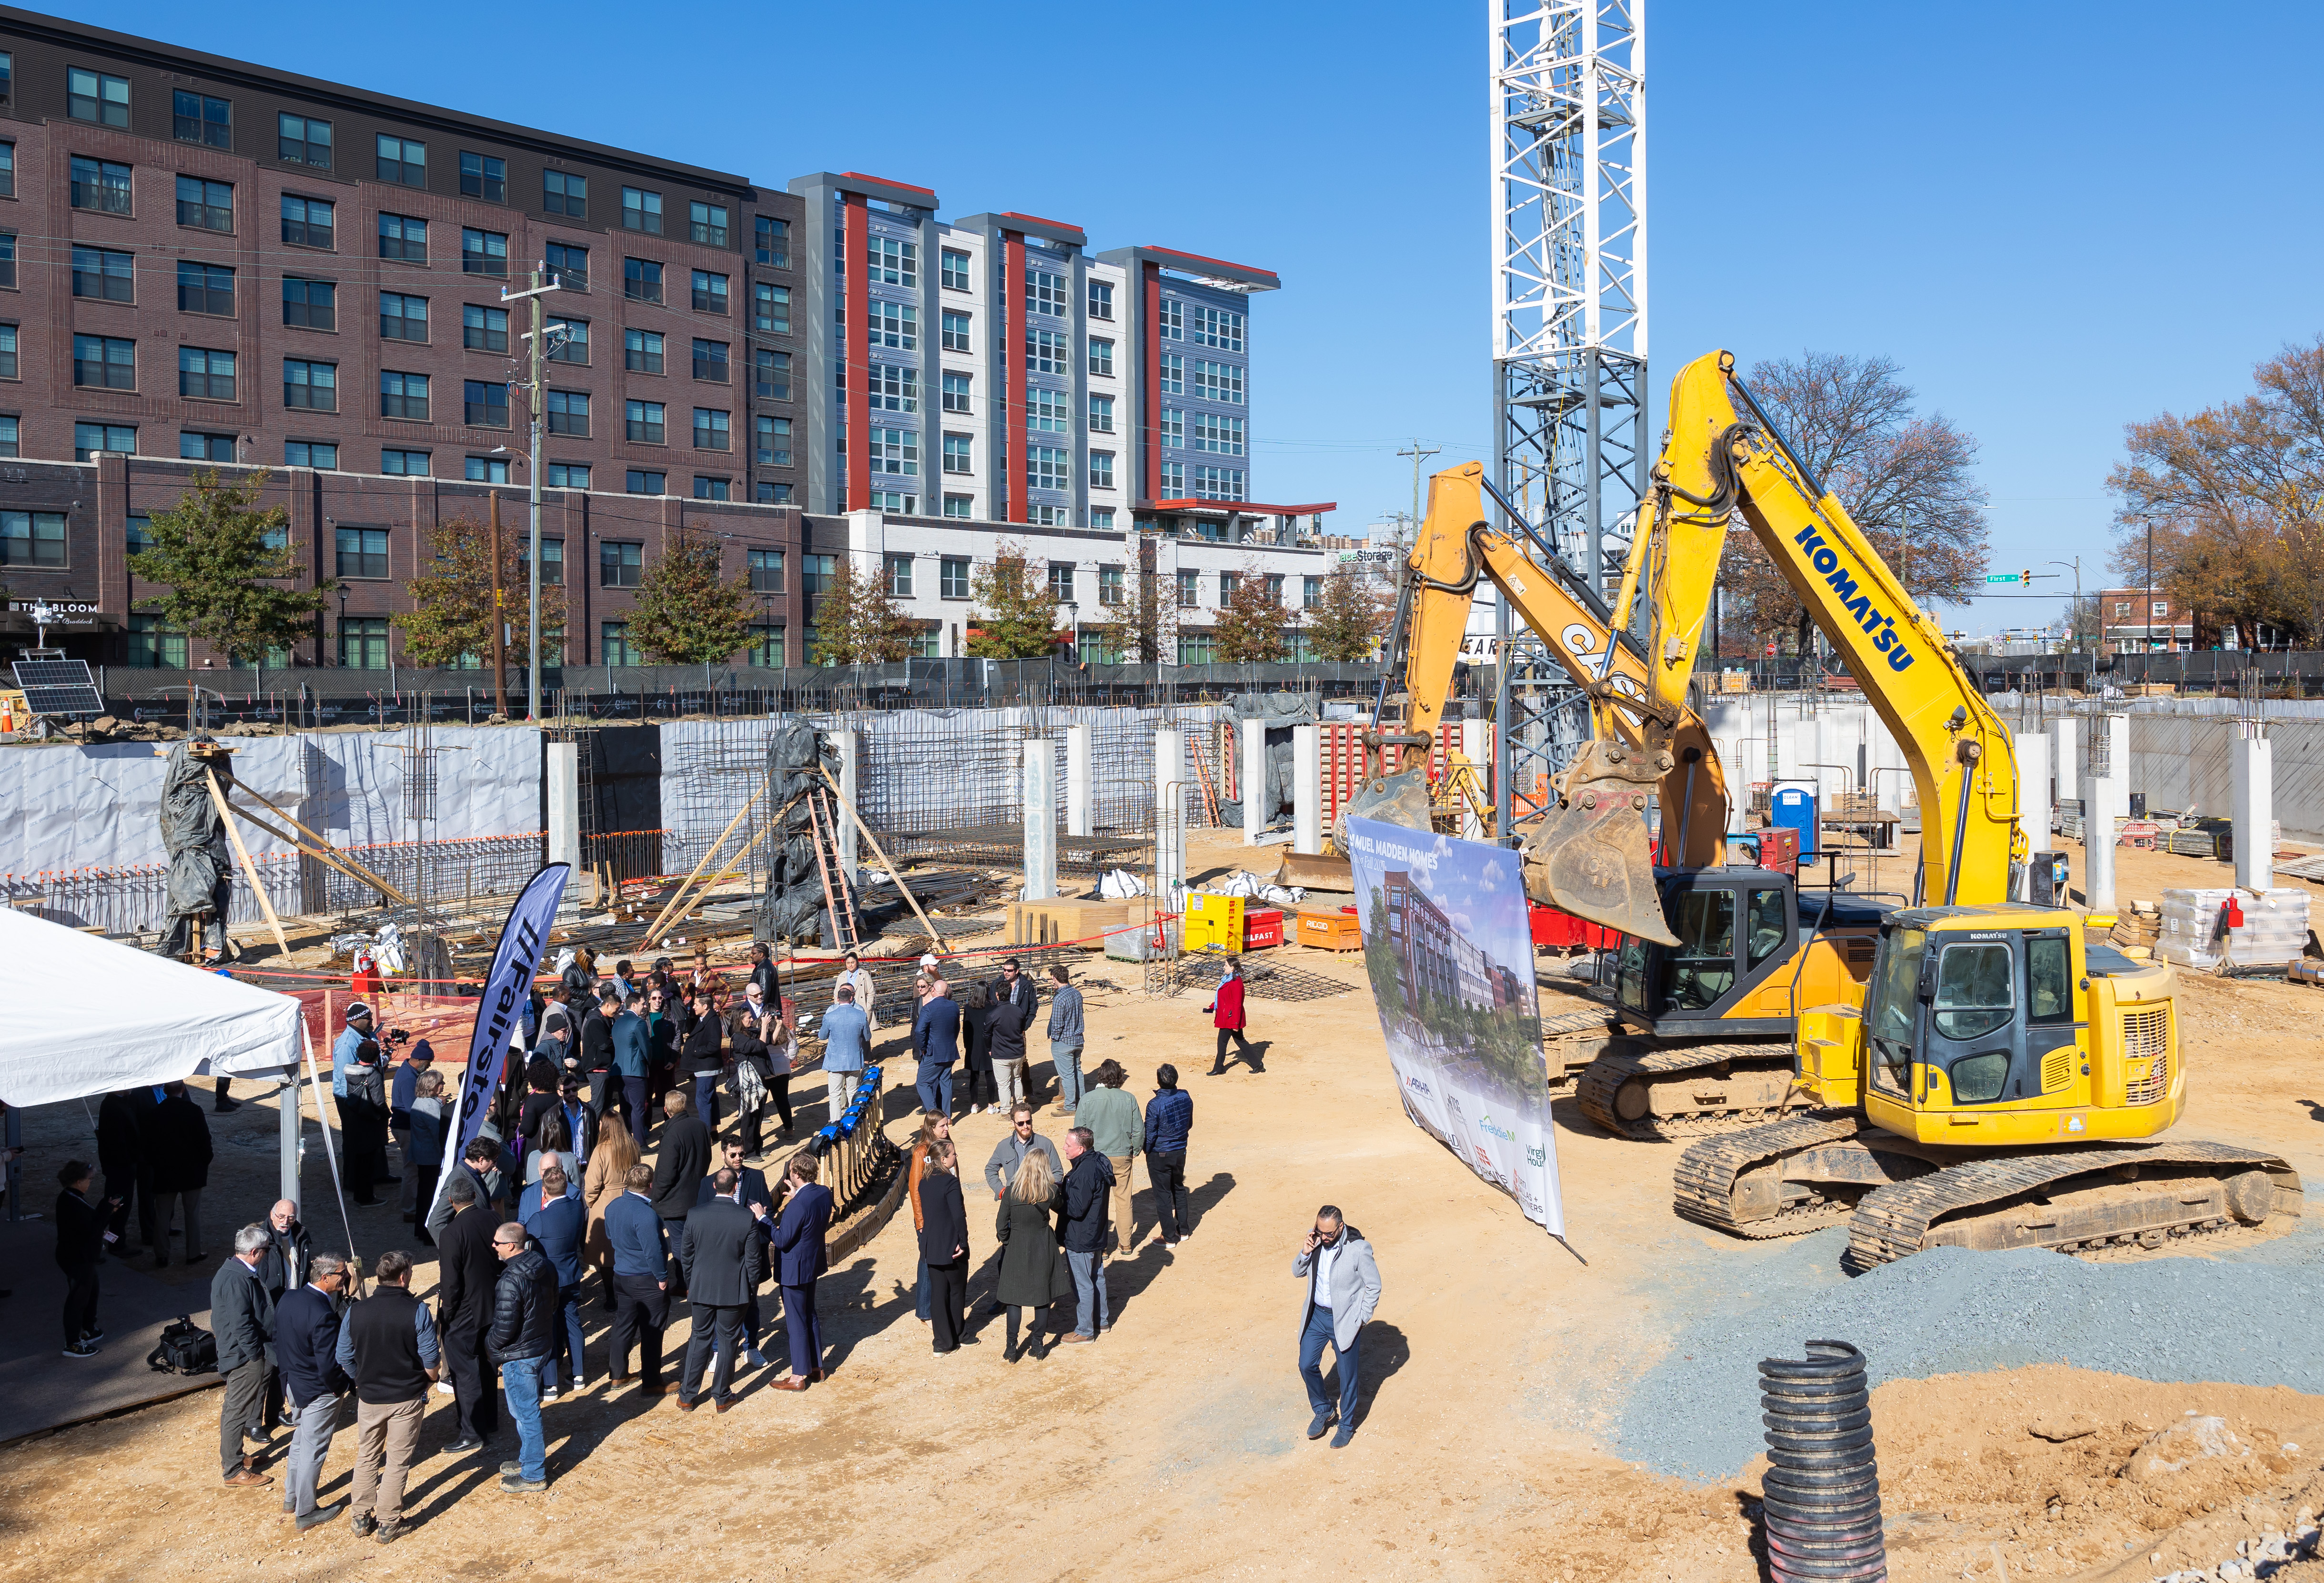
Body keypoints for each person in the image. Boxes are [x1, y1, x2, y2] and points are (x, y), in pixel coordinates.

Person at [337, 1248, 439, 1543]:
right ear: (404, 1276)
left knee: (366, 1455)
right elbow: (431, 1360)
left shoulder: (357, 1310)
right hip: (406, 1397)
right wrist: (426, 1383)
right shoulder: (417, 1310)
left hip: (369, 1398)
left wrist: (361, 1377)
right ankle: (389, 1522)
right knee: (397, 1461)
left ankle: (360, 1517)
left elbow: (344, 1355)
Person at [274, 1249, 353, 1532]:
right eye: (342, 1274)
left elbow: (278, 1341)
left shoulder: (288, 1298)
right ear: (325, 1277)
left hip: (294, 1385)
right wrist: (340, 1388)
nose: (346, 1277)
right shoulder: (322, 1314)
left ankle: (291, 1498)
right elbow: (329, 1363)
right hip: (319, 1390)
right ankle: (306, 1511)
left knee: (299, 1442)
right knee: (313, 1450)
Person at [1294, 1205, 1382, 1448]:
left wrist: (1362, 1319)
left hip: (1344, 1321)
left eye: (1329, 1234)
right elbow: (1297, 1272)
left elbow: (1374, 1286)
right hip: (1316, 1318)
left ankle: (1346, 1426)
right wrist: (1305, 1252)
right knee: (1306, 1364)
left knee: (1347, 1377)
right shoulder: (1315, 1243)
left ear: (1340, 1227)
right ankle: (1324, 1410)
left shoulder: (1358, 1249)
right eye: (1320, 1231)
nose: (1324, 1238)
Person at [677, 1168, 762, 1413]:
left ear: (714, 1187)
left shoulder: (695, 1215)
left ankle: (687, 1396)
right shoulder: (746, 1218)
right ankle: (722, 1397)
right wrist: (750, 1290)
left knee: (699, 1338)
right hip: (734, 1292)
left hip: (701, 1288)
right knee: (727, 1342)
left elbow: (687, 1256)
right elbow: (753, 1262)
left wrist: (693, 1283)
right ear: (735, 1188)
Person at [486, 1220, 558, 1491]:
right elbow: (553, 1303)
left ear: (511, 1246)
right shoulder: (544, 1264)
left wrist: (491, 1349)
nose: (493, 1246)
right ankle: (528, 1459)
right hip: (540, 1347)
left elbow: (504, 1328)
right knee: (523, 1411)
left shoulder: (510, 1280)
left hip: (520, 1355)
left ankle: (533, 1474)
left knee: (526, 1413)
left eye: (497, 1243)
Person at [434, 1174, 502, 1453]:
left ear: (451, 1201)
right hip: (493, 1304)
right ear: (474, 1196)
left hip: (464, 1312)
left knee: (465, 1371)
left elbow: (451, 1283)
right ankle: (489, 1420)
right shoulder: (494, 1219)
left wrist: (447, 1315)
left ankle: (472, 1431)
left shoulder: (452, 1233)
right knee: (487, 1364)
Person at [212, 1223, 279, 1488]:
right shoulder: (237, 1278)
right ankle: (233, 1471)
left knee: (234, 1408)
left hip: (242, 1353)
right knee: (237, 1411)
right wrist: (255, 1354)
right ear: (254, 1252)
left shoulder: (235, 1271)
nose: (266, 1254)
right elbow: (241, 1324)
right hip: (243, 1356)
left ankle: (235, 1456)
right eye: (265, 1250)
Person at [697, 1139, 775, 1366]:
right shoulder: (707, 1183)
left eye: (741, 1154)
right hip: (721, 1253)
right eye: (733, 1155)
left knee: (750, 1300)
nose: (738, 1159)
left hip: (750, 1251)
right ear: (723, 1155)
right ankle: (718, 1351)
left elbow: (767, 1206)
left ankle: (751, 1347)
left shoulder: (757, 1177)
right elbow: (701, 1215)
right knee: (719, 1302)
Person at [993, 1146, 1073, 1362]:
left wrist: (1010, 1242)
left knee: (1013, 1300)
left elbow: (1001, 1226)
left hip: (1017, 1246)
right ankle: (1038, 1344)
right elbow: (1062, 1208)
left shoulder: (1011, 1192)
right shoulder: (1049, 1192)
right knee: (1043, 1298)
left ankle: (1011, 1348)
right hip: (1043, 1246)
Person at [522, 1161, 589, 1398]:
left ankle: (550, 1385)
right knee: (573, 1322)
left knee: (547, 1329)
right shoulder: (576, 1208)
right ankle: (579, 1374)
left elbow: (523, 1235)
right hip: (571, 1275)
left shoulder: (540, 1218)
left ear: (544, 1191)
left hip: (548, 1281)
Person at [604, 1163, 671, 1391]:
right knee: (652, 1331)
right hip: (645, 1279)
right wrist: (662, 1277)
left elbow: (611, 1236)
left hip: (621, 1276)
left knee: (623, 1324)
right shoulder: (646, 1215)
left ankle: (618, 1374)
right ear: (650, 1185)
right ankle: (652, 1383)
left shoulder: (613, 1206)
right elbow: (653, 1252)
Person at [768, 1153, 833, 1388]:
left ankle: (798, 1376)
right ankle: (816, 1367)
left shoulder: (798, 1204)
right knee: (809, 1314)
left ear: (795, 1174)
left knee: (796, 1320)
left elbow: (782, 1239)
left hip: (794, 1269)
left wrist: (763, 1220)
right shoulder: (823, 1192)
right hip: (812, 1264)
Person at [650, 1090, 715, 1297]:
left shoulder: (673, 1134)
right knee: (694, 1241)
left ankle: (685, 1283)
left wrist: (656, 1197)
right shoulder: (701, 1126)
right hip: (697, 1194)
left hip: (676, 1202)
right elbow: (708, 1157)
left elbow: (666, 1174)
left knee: (679, 1243)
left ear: (666, 1110)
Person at [1075, 1060, 1143, 1259]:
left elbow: (1080, 1132)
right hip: (1122, 1155)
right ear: (1120, 1077)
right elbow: (1138, 1130)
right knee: (1124, 1200)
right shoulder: (1129, 1098)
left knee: (1098, 1202)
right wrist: (1135, 1150)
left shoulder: (1088, 1100)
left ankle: (1102, 1248)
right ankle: (1126, 1244)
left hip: (1096, 1158)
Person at [148, 1080, 213, 1264]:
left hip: (164, 1172)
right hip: (191, 1172)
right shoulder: (194, 1110)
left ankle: (161, 1255)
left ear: (165, 1091)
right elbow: (204, 1140)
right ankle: (193, 1253)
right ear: (183, 1090)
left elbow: (149, 1145)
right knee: (192, 1214)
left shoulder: (155, 1113)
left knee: (162, 1215)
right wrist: (204, 1162)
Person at [1059, 1127, 1114, 1343]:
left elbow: (1076, 1209)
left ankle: (1085, 1330)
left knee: (1083, 1283)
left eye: (1068, 1145)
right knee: (1096, 1277)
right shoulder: (1098, 1161)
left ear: (1081, 1149)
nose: (1064, 1147)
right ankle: (1101, 1321)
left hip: (1081, 1237)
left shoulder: (1083, 1172)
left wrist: (1057, 1199)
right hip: (1096, 1234)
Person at [583, 1113, 643, 1308]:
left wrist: (591, 1202)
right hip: (629, 1198)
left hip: (606, 1203)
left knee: (607, 1257)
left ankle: (610, 1298)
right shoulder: (632, 1145)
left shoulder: (601, 1150)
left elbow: (592, 1184)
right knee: (627, 1249)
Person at [54, 1160, 112, 1358]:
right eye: (89, 1180)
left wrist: (106, 1210)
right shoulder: (71, 1202)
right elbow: (92, 1229)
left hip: (82, 1256)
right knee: (77, 1299)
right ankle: (72, 1343)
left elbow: (91, 1224)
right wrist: (106, 1211)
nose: (90, 1183)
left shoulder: (72, 1197)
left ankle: (88, 1329)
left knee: (91, 1290)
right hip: (77, 1257)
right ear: (78, 1181)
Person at [917, 1141, 970, 1355]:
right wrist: (964, 1241)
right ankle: (958, 1334)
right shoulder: (950, 1182)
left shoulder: (924, 1182)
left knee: (938, 1294)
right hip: (952, 1245)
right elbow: (958, 1215)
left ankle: (942, 1342)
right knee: (957, 1291)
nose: (956, 1157)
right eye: (953, 1155)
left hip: (931, 1246)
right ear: (944, 1159)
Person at [905, 1113, 952, 1324]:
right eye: (942, 1126)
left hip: (944, 1213)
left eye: (947, 1125)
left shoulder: (945, 1144)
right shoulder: (921, 1152)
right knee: (927, 1261)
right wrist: (920, 1221)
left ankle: (939, 1303)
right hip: (928, 1217)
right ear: (931, 1127)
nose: (946, 1129)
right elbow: (914, 1188)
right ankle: (925, 1309)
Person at [1144, 1065, 1195, 1246]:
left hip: (1161, 1153)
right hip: (1180, 1150)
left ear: (1159, 1081)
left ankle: (1169, 1236)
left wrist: (1147, 1150)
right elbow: (1189, 1124)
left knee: (1163, 1194)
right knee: (1178, 1188)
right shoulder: (1185, 1096)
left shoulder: (1155, 1104)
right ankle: (1183, 1230)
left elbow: (1150, 1133)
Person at [96, 1088, 149, 1256]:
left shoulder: (118, 1103)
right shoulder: (113, 1106)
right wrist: (131, 1160)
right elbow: (117, 1142)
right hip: (121, 1167)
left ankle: (111, 1241)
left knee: (118, 1206)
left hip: (122, 1165)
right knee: (118, 1207)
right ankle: (114, 1243)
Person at [426, 1138, 504, 1245]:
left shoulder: (473, 1173)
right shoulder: (458, 1180)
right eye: (494, 1161)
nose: (495, 1165)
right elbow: (435, 1222)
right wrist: (454, 1248)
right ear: (481, 1160)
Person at [389, 1039, 435, 1218]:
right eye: (429, 1063)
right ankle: (410, 1209)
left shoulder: (407, 1072)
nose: (429, 1066)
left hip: (404, 1127)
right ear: (422, 1061)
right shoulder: (409, 1078)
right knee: (412, 1169)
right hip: (406, 1129)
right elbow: (412, 1108)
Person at [983, 1102, 1062, 1203]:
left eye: (1028, 1122)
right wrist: (1002, 1191)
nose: (1025, 1126)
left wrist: (1046, 1193)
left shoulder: (1046, 1144)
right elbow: (990, 1169)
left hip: (1039, 1202)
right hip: (1012, 1201)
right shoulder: (1004, 1146)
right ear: (1013, 1123)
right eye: (1021, 1123)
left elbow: (1057, 1171)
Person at [728, 994, 772, 1159]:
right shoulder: (738, 1037)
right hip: (748, 1083)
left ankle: (757, 1147)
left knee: (758, 1115)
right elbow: (759, 1045)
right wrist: (763, 1027)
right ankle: (748, 1152)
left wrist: (767, 1026)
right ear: (740, 1020)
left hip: (757, 1081)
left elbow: (767, 1041)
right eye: (747, 1018)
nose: (751, 1019)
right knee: (749, 1118)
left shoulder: (748, 1032)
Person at [818, 983, 870, 1123]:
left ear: (837, 998)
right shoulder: (861, 1015)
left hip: (835, 1061)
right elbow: (868, 1037)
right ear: (852, 998)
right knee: (853, 1093)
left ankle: (835, 1124)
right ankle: (852, 1122)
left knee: (835, 1095)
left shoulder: (830, 1016)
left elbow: (822, 1036)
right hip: (854, 1060)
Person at [406, 1072, 447, 1245]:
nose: (443, 1085)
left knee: (424, 1194)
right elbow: (438, 1134)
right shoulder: (430, 1106)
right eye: (440, 1083)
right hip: (431, 1157)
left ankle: (421, 1231)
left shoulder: (421, 1102)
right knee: (430, 1196)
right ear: (432, 1087)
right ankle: (428, 1233)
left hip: (422, 1155)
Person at [912, 978, 961, 1117]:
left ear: (933, 990)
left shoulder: (929, 1008)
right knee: (946, 1082)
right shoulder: (954, 1006)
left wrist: (923, 1047)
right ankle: (948, 1116)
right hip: (950, 1050)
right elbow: (957, 1028)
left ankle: (935, 1115)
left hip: (934, 1051)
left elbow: (919, 1031)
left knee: (922, 1082)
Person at [683, 988, 727, 1136]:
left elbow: (714, 1045)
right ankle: (713, 1130)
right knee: (710, 1096)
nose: (693, 1007)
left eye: (696, 1004)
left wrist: (696, 1051)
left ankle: (706, 1134)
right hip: (706, 1065)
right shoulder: (706, 1019)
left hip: (707, 1066)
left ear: (705, 1006)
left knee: (702, 1100)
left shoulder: (712, 1021)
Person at [613, 991, 652, 1146]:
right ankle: (640, 1144)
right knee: (638, 1109)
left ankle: (627, 1139)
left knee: (626, 1107)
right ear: (634, 1005)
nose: (644, 1006)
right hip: (636, 1071)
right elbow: (646, 1048)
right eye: (643, 1004)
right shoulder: (639, 1023)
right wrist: (648, 1063)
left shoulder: (618, 1022)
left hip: (620, 1071)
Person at [1046, 964, 1085, 1116]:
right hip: (1078, 1040)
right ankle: (1080, 1101)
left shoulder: (1059, 998)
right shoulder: (1077, 993)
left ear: (1055, 978)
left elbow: (1057, 1024)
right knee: (1078, 1072)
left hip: (1064, 1042)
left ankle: (1070, 1107)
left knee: (1068, 1075)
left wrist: (1055, 1039)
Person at [1207, 956, 1259, 1074]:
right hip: (1228, 1016)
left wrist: (1235, 1022)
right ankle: (1258, 1064)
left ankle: (1218, 1068)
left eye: (1226, 965)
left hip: (1230, 1018)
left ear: (1232, 968)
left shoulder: (1236, 983)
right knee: (1240, 1040)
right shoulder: (1228, 979)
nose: (1224, 967)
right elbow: (1224, 998)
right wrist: (1212, 1007)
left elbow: (1237, 1004)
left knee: (1222, 1042)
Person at [988, 979, 1031, 1112]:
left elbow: (986, 1034)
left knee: (1003, 1084)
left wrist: (989, 1048)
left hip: (1001, 1054)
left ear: (997, 995)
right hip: (1018, 1052)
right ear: (1011, 992)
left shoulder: (993, 1014)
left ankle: (1006, 1110)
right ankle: (1019, 1106)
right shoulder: (1018, 1011)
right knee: (1017, 1079)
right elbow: (1023, 1027)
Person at [762, 996, 798, 1144]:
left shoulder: (761, 1030)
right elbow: (793, 1047)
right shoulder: (786, 1031)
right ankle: (789, 1129)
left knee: (760, 1102)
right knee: (782, 1101)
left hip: (764, 1069)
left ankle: (756, 1132)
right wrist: (787, 1060)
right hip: (782, 1069)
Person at [579, 987, 619, 1111]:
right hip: (597, 1068)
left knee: (606, 1103)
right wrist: (614, 1040)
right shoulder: (596, 1021)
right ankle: (592, 1129)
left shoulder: (605, 1018)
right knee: (598, 1104)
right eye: (616, 1009)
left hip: (604, 1067)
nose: (617, 1012)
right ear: (608, 1005)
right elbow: (604, 1044)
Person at [960, 980, 996, 1116]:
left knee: (974, 1077)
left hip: (973, 1045)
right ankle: (991, 1105)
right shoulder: (992, 1008)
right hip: (989, 1045)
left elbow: (966, 1028)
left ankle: (974, 1105)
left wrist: (967, 1045)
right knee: (990, 1075)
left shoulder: (968, 1008)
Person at [523, 1110, 580, 1194]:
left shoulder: (532, 1156)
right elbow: (576, 1188)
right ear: (564, 1137)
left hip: (536, 1197)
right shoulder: (571, 1159)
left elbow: (529, 1180)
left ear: (544, 1136)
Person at [833, 951, 878, 1032]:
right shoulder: (842, 976)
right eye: (848, 963)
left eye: (852, 963)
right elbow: (836, 993)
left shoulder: (865, 975)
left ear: (857, 963)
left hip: (862, 1007)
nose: (850, 965)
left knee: (863, 1033)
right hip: (846, 1007)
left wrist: (869, 1005)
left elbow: (871, 992)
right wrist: (837, 1005)